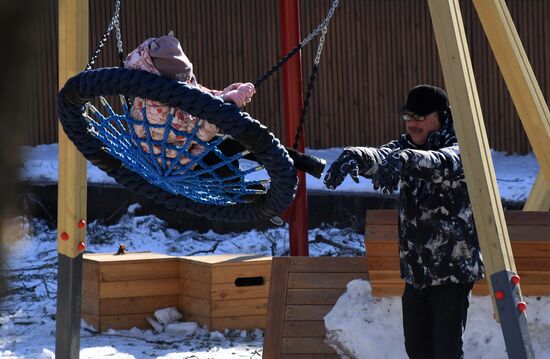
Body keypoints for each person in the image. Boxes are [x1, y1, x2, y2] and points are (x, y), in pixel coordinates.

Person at [324, 85, 485, 359]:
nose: (412, 123)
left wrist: (405, 159)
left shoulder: (462, 147)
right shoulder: (406, 147)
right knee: (417, 351)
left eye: (419, 117)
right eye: (408, 116)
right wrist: (355, 156)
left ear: (441, 116)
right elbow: (381, 156)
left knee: (446, 353)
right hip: (417, 274)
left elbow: (438, 162)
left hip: (451, 275)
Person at [124, 32, 326, 180]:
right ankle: (240, 191)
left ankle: (303, 162)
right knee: (230, 153)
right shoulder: (157, 109)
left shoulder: (153, 84)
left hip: (180, 147)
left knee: (243, 143)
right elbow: (200, 130)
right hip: (174, 163)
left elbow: (199, 97)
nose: (188, 84)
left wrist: (228, 93)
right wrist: (227, 103)